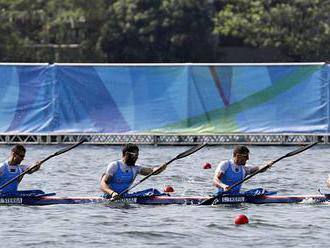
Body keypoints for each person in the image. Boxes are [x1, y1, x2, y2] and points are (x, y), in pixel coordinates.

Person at [100, 143, 167, 200]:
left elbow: (152, 171)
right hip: (109, 197)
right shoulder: (114, 165)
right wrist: (112, 193)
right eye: (135, 155)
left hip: (124, 196)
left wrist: (161, 168)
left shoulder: (136, 168)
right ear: (126, 154)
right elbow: (103, 184)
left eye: (137, 155)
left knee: (153, 191)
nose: (137, 157)